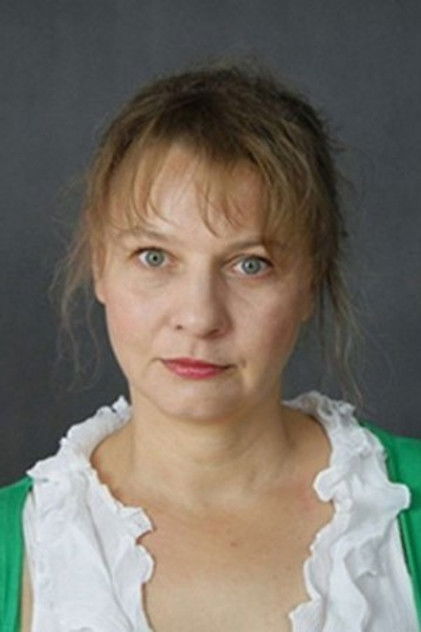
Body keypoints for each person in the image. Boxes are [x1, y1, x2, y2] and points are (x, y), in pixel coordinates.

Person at [0, 61, 420, 632]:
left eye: (250, 265)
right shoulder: (22, 539)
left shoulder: (397, 503)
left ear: (311, 283)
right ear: (100, 264)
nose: (199, 318)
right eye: (154, 257)